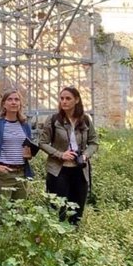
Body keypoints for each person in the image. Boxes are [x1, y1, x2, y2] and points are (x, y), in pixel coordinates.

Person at [38, 86, 99, 225]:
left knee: (77, 210)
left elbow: (94, 142)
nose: (64, 101)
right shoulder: (54, 120)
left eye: (68, 98)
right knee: (58, 210)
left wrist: (85, 155)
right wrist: (60, 154)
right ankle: (57, 240)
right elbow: (42, 142)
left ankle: (73, 237)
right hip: (58, 171)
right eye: (62, 98)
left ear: (76, 100)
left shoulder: (86, 120)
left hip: (79, 169)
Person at [0, 89, 35, 199]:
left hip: (21, 174)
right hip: (1, 175)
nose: (13, 102)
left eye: (17, 99)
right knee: (0, 213)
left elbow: (27, 146)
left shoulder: (24, 125)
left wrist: (29, 153)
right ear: (4, 104)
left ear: (20, 104)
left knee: (20, 212)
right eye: (10, 99)